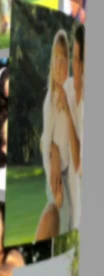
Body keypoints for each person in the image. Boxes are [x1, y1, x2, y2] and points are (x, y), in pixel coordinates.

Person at [35, 29, 75, 241]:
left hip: (68, 177)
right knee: (56, 217)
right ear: (52, 64)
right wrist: (55, 186)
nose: (61, 66)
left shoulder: (70, 91)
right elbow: (46, 143)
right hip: (56, 180)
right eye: (57, 60)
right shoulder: (49, 100)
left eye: (65, 60)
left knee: (65, 225)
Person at [61, 23, 84, 228]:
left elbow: (79, 164)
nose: (72, 66)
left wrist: (68, 113)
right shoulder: (68, 87)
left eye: (76, 60)